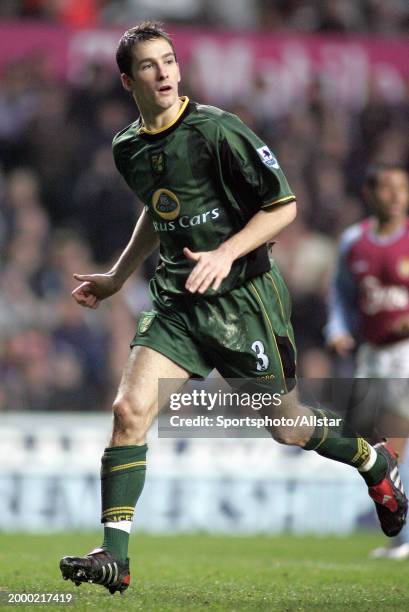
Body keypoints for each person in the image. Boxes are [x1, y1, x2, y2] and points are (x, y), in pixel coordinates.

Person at [59, 23, 407, 594]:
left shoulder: (218, 130)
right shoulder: (126, 148)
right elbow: (158, 208)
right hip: (177, 301)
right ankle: (115, 556)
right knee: (128, 411)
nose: (165, 72)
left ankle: (372, 461)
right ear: (129, 80)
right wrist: (119, 277)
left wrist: (225, 252)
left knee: (287, 428)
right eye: (149, 65)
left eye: (170, 60)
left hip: (243, 301)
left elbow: (283, 207)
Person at [327, 164, 409, 559]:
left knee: (398, 442)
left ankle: (405, 538)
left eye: (402, 188)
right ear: (370, 194)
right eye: (388, 188)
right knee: (371, 443)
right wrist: (337, 328)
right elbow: (340, 293)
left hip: (405, 351)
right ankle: (399, 527)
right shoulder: (353, 241)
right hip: (370, 352)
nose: (396, 196)